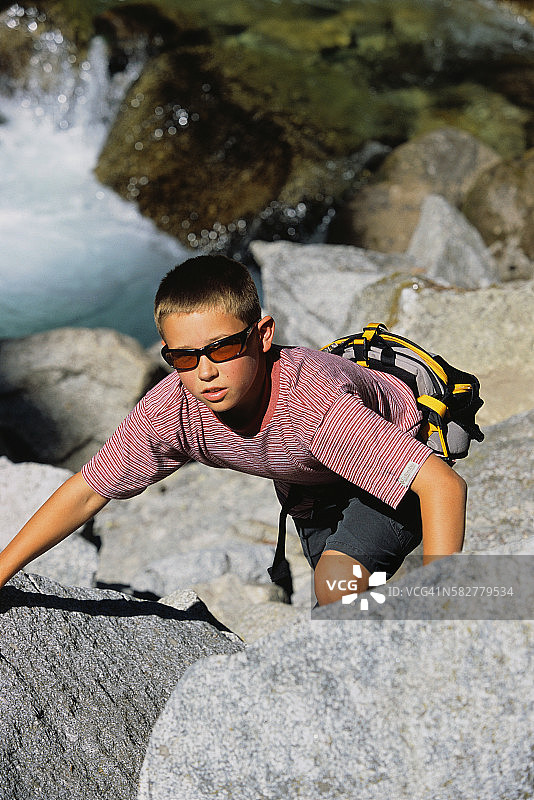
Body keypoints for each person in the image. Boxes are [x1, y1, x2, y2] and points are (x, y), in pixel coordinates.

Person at [0, 255, 466, 606]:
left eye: (221, 349)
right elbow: (86, 491)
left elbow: (442, 486)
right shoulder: (175, 408)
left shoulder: (310, 405)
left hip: (402, 460)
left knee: (335, 583)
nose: (204, 372)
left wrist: (445, 606)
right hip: (316, 486)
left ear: (263, 335)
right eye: (183, 357)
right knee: (343, 606)